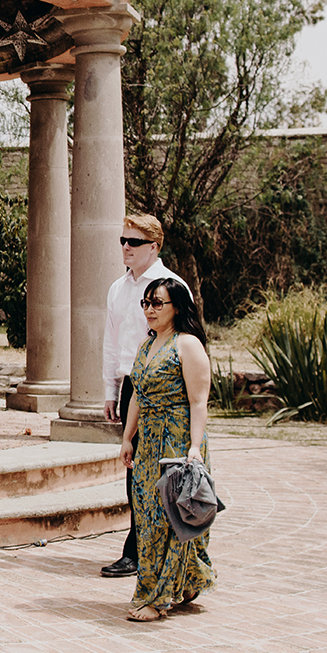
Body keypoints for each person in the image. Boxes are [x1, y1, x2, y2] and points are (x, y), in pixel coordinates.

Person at [118, 277, 216, 622]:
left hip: (177, 441)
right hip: (148, 441)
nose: (149, 310)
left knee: (170, 518)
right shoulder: (147, 346)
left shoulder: (187, 345)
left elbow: (198, 401)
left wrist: (194, 447)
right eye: (146, 303)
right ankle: (188, 579)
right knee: (147, 516)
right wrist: (128, 438)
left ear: (178, 306)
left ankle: (155, 597)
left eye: (157, 303)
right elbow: (137, 399)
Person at [99, 213, 191, 579]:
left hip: (166, 390)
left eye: (133, 242)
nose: (125, 247)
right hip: (132, 388)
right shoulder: (117, 289)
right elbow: (111, 341)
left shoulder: (172, 287)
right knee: (135, 472)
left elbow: (190, 340)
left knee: (164, 471)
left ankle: (152, 551)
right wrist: (111, 389)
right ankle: (138, 548)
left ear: (154, 246)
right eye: (122, 241)